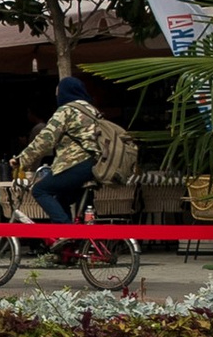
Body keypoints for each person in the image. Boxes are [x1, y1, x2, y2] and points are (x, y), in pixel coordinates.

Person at [15, 75, 138, 245]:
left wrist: (21, 160)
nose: (57, 96)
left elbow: (45, 139)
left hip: (78, 163)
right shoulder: (92, 110)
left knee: (40, 190)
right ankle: (69, 250)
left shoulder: (67, 110)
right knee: (61, 199)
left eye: (58, 93)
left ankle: (67, 232)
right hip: (96, 165)